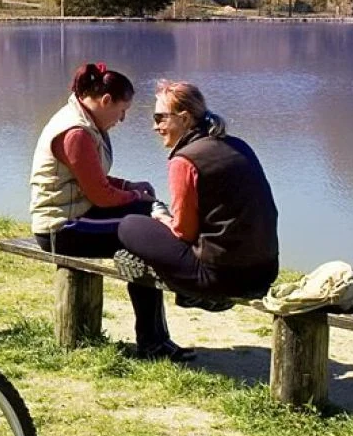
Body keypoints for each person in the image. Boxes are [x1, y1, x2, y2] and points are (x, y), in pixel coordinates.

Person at [30, 63, 190, 361]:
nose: (122, 118)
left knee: (146, 219)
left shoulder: (84, 122)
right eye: (121, 110)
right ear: (105, 101)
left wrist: (131, 187)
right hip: (62, 229)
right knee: (147, 233)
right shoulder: (75, 132)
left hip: (77, 216)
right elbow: (101, 196)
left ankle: (157, 337)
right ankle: (156, 336)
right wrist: (134, 197)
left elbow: (91, 179)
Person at [116, 80, 280, 312]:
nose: (155, 127)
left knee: (130, 225)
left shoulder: (185, 160)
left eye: (160, 118)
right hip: (264, 272)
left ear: (184, 118)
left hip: (219, 278)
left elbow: (184, 232)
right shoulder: (238, 145)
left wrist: (163, 219)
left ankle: (193, 296)